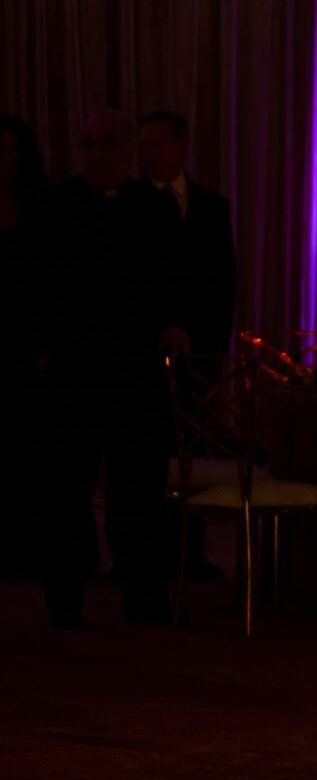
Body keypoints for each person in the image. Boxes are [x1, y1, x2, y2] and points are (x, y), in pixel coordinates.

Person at [36, 109, 183, 628]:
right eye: (90, 145)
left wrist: (170, 325)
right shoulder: (57, 206)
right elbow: (37, 283)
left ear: (127, 151)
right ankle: (65, 600)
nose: (98, 155)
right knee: (66, 489)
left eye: (108, 145)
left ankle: (144, 596)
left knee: (139, 489)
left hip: (136, 369)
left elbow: (174, 279)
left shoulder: (155, 208)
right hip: (75, 369)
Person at [138, 108, 236, 584]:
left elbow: (222, 286)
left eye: (158, 144)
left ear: (182, 146)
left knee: (190, 455)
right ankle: (143, 552)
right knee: (145, 455)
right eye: (145, 146)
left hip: (199, 353)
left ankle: (190, 554)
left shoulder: (212, 207)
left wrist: (211, 354)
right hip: (144, 352)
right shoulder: (133, 205)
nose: (150, 154)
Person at [0, 117, 49, 580]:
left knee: (27, 448)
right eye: (2, 149)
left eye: (16, 149)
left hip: (28, 339)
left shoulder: (40, 206)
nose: (9, 159)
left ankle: (29, 549)